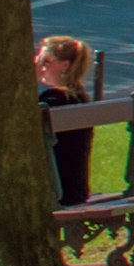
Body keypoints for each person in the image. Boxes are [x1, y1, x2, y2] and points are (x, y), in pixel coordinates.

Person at [34, 35, 99, 206]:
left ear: (65, 65)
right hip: (76, 190)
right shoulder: (80, 97)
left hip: (57, 192)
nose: (41, 67)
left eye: (45, 61)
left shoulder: (53, 100)